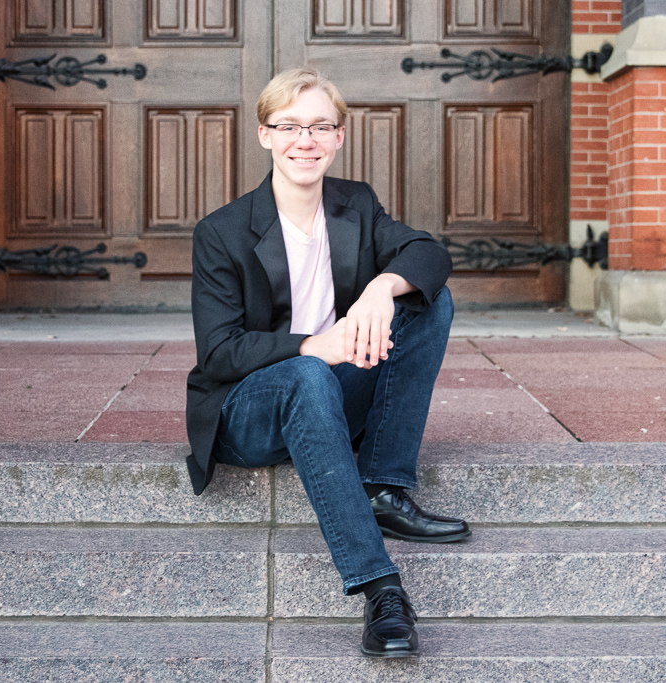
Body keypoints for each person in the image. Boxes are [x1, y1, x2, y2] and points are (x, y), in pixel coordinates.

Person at [185, 67, 469, 658]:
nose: (304, 140)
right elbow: (218, 352)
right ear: (265, 135)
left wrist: (378, 290)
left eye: (319, 126)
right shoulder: (223, 232)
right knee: (309, 372)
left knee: (426, 302)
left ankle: (384, 488)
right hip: (249, 410)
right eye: (289, 126)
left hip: (329, 391)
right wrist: (313, 345)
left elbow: (428, 254)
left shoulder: (356, 204)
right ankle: (381, 588)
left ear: (340, 136)